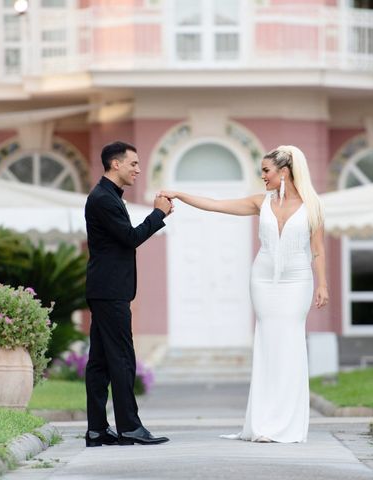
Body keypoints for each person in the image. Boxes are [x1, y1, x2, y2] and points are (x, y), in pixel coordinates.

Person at [161, 145, 328, 443]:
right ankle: (263, 423)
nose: (262, 176)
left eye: (266, 171)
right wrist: (181, 195)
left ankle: (287, 425)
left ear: (284, 172)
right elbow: (215, 204)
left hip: (297, 282)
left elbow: (317, 250)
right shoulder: (258, 202)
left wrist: (323, 284)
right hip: (263, 281)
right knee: (267, 344)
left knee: (290, 344)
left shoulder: (312, 205)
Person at [85, 141, 172, 446]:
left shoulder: (107, 197)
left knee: (99, 362)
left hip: (106, 290)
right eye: (133, 163)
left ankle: (96, 430)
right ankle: (130, 427)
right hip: (110, 292)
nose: (138, 169)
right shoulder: (103, 199)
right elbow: (130, 238)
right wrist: (158, 215)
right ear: (116, 164)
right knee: (122, 358)